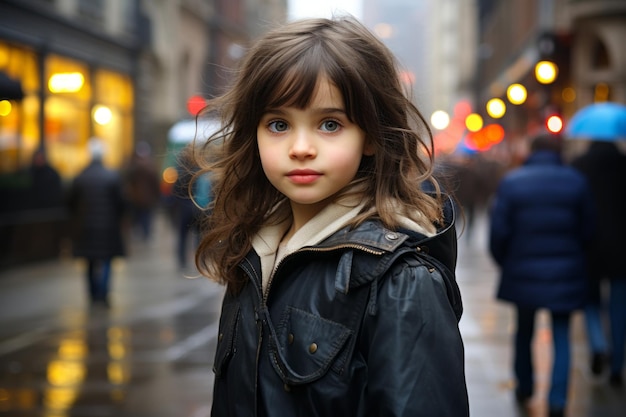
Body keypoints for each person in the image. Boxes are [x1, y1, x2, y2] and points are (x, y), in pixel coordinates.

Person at [192, 16, 468, 416]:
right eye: (278, 124)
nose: (301, 147)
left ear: (371, 136)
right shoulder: (254, 255)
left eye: (329, 124)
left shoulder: (401, 282)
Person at [489, 134, 595, 417]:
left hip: (523, 270)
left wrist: (507, 262)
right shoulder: (576, 181)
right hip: (566, 270)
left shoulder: (512, 182)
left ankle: (525, 386)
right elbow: (588, 230)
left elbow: (498, 232)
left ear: (531, 151)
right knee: (562, 336)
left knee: (524, 332)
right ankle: (558, 400)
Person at [571, 141, 626, 387]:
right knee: (619, 308)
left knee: (591, 301)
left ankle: (598, 343)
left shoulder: (579, 166)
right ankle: (617, 365)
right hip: (622, 249)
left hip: (589, 245)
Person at [68, 138, 128, 308]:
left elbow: (71, 203)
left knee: (89, 262)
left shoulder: (80, 177)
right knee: (106, 260)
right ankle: (103, 294)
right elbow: (121, 203)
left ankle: (93, 295)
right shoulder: (112, 176)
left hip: (85, 227)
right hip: (108, 227)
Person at [124, 141, 161, 241]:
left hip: (136, 197)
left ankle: (141, 232)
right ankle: (146, 233)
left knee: (140, 215)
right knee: (146, 216)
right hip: (147, 197)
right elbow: (155, 183)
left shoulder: (133, 167)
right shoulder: (150, 167)